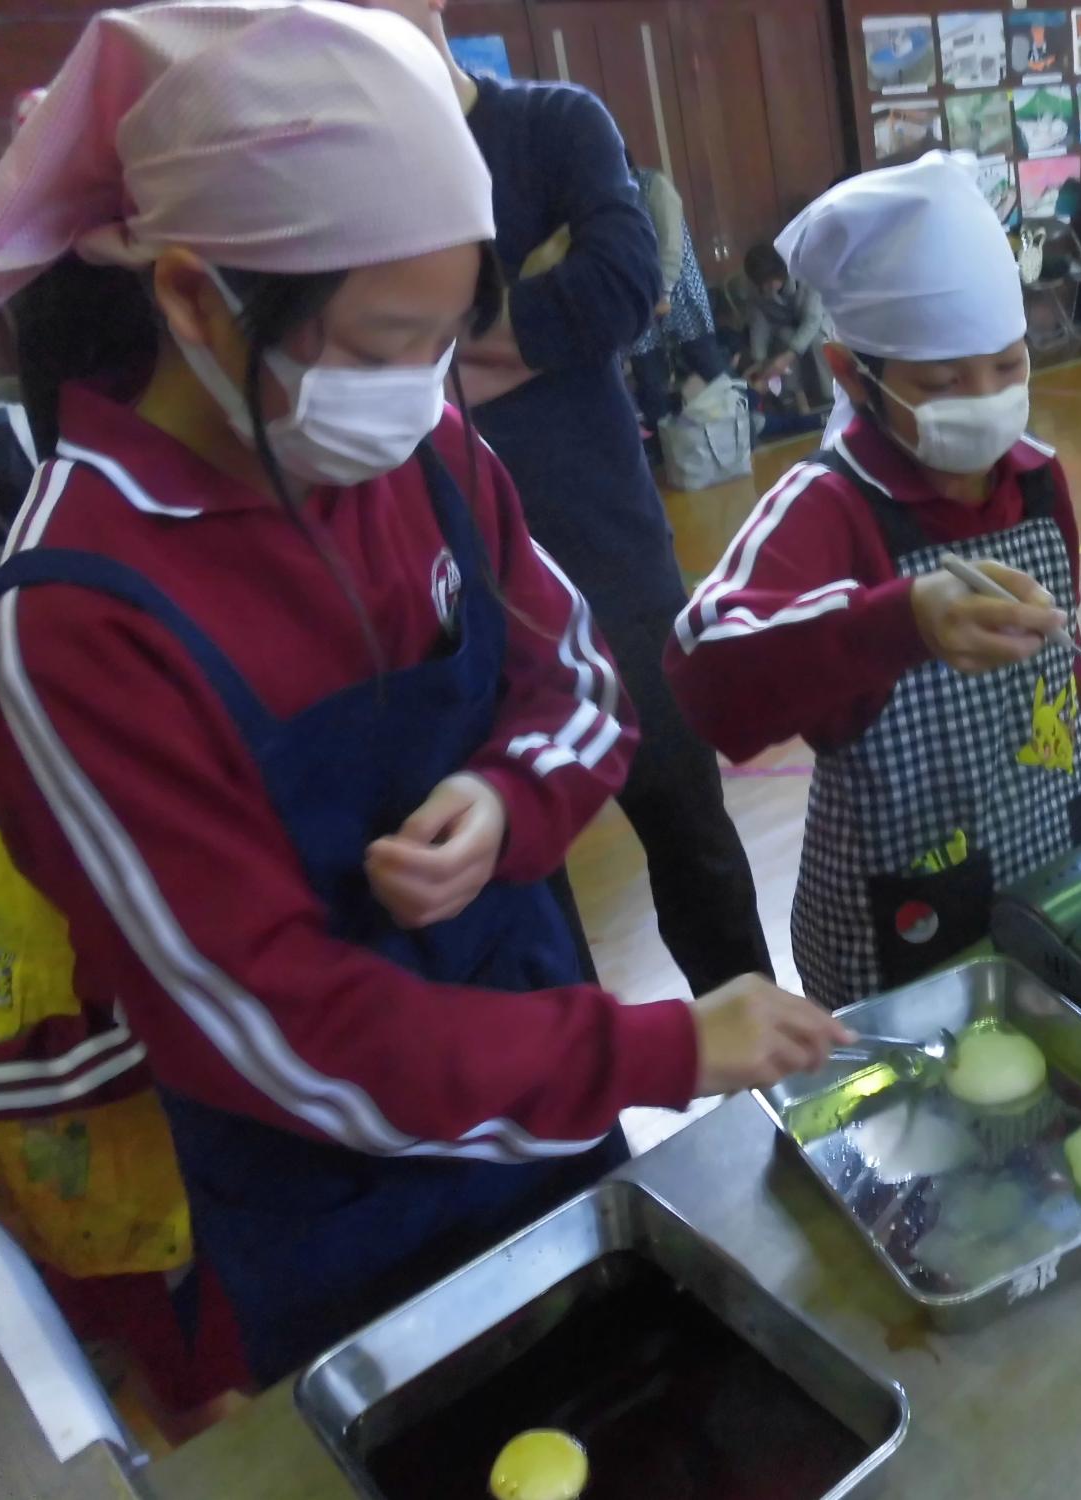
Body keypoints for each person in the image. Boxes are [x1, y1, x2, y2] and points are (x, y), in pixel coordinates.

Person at [0, 1, 845, 1385]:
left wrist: (504, 793)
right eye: (378, 347)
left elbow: (581, 675)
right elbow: (275, 1035)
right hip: (339, 1216)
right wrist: (656, 1048)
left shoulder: (422, 450)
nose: (424, 395)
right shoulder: (79, 622)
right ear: (189, 298)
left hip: (546, 1112)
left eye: (445, 341)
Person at [365, 0, 773, 1002]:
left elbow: (626, 288)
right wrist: (525, 311)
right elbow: (343, 366)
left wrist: (429, 359)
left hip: (611, 560)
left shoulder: (554, 124)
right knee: (517, 883)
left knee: (692, 838)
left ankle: (780, 1069)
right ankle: (589, 1130)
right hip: (449, 591)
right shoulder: (349, 179)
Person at [664, 153, 1081, 1009]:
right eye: (944, 382)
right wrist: (902, 620)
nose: (984, 399)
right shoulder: (830, 506)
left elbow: (1060, 677)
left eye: (1008, 366)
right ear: (851, 375)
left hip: (1049, 875)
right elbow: (705, 672)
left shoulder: (1034, 482)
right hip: (904, 927)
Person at [0, 386, 249, 1425]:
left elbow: (171, 1007)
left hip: (157, 1169)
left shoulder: (69, 757)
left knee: (213, 1401)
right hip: (22, 1156)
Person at [626, 153, 728, 437]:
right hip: (639, 298)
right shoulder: (607, 197)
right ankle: (670, 455)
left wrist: (665, 293)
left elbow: (672, 244)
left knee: (708, 365)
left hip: (680, 291)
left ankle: (738, 435)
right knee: (650, 379)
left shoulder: (653, 185)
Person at [742, 243, 835, 410]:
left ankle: (829, 397)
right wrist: (760, 360)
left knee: (816, 341)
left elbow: (812, 320)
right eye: (761, 283)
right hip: (785, 329)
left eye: (770, 281)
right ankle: (794, 399)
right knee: (784, 337)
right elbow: (759, 325)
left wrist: (787, 357)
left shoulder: (806, 275)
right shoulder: (757, 291)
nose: (765, 288)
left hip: (819, 324)